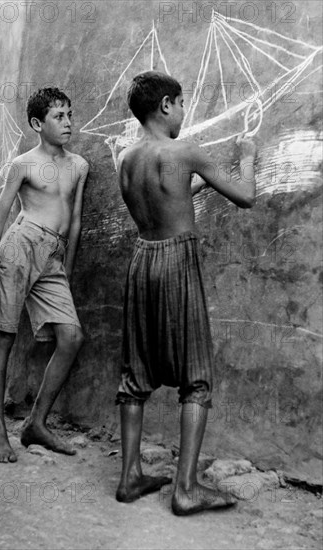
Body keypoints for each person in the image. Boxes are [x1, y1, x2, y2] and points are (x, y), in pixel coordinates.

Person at [114, 71, 257, 515]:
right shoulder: (184, 151)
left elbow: (168, 197)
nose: (183, 112)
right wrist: (247, 158)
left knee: (135, 375)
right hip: (178, 260)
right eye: (180, 104)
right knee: (197, 377)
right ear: (165, 106)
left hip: (143, 261)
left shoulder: (128, 159)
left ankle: (130, 477)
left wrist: (198, 182)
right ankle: (186, 489)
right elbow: (246, 196)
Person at [0, 87, 89, 463]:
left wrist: (67, 270)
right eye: (59, 116)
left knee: (71, 336)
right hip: (19, 248)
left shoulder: (79, 165)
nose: (68, 122)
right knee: (4, 337)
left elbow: (74, 221)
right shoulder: (23, 164)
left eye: (70, 114)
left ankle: (36, 424)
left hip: (53, 257)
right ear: (38, 124)